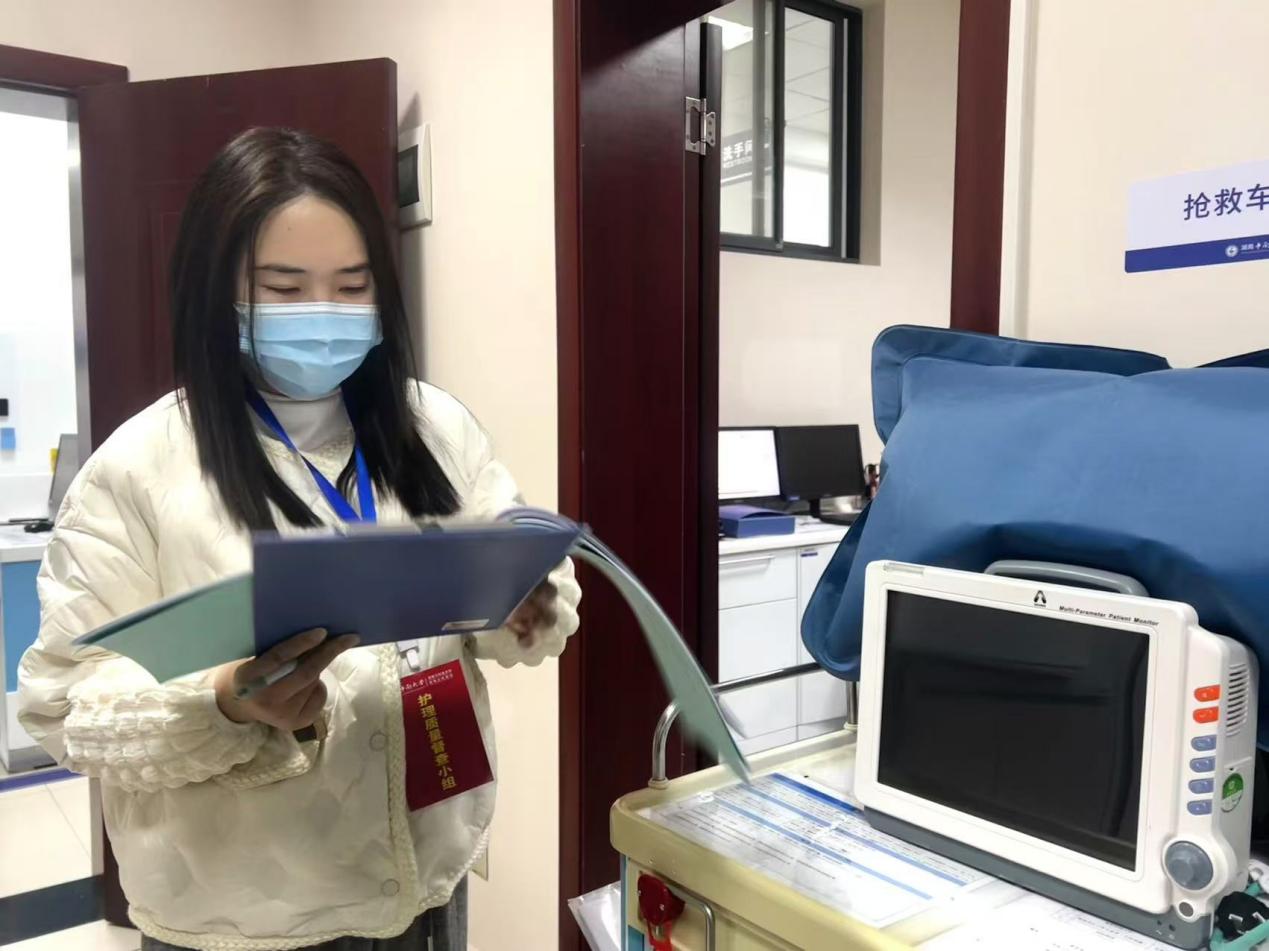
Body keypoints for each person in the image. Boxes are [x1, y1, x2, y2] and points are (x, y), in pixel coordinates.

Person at [17, 127, 580, 951]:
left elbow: (512, 576)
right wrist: (221, 702)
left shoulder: (434, 428)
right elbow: (62, 708)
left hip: (427, 879)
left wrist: (528, 602)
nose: (326, 314)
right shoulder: (138, 468)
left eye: (353, 285)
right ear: (217, 292)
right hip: (243, 921)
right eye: (284, 288)